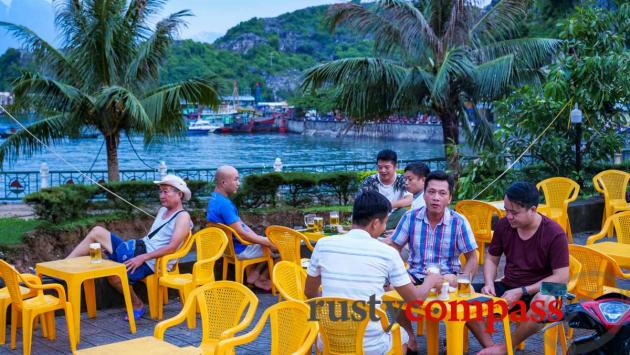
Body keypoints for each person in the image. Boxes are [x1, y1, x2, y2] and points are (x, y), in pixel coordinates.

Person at [305, 191, 443, 355]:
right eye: (384, 223)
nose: (384, 228)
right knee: (404, 336)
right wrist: (431, 279)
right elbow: (416, 299)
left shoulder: (323, 245)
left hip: (328, 340)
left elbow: (310, 292)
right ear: (375, 223)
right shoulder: (386, 253)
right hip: (370, 346)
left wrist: (336, 301)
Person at [67, 174, 193, 320]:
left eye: (166, 191)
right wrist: (134, 251)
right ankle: (64, 264)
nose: (162, 195)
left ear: (179, 194)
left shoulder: (182, 217)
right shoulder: (163, 211)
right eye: (160, 191)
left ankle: (137, 303)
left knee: (113, 275)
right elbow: (152, 239)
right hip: (139, 249)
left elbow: (172, 247)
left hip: (153, 262)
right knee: (97, 232)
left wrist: (141, 258)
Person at [468, 182, 569, 355]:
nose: (509, 216)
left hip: (545, 289)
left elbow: (562, 278)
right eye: (506, 210)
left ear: (533, 209)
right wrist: (489, 282)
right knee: (464, 295)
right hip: (510, 286)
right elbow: (491, 259)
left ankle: (507, 346)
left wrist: (523, 291)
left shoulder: (554, 233)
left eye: (514, 212)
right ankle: (491, 347)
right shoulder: (504, 225)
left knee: (545, 300)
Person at [388, 170, 479, 352]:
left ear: (449, 198)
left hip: (448, 277)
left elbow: (473, 256)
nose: (436, 198)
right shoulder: (410, 217)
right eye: (431, 192)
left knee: (469, 293)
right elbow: (394, 247)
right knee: (390, 289)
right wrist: (398, 272)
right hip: (415, 274)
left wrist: (462, 278)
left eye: (442, 193)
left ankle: (457, 340)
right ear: (425, 194)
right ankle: (410, 338)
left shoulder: (459, 221)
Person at [206, 165, 276, 291]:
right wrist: (265, 241)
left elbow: (239, 224)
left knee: (265, 242)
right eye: (236, 179)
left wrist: (259, 238)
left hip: (227, 248)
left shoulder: (214, 199)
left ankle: (254, 275)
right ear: (223, 182)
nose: (238, 183)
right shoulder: (225, 205)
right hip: (239, 249)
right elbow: (241, 233)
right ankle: (261, 278)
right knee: (281, 248)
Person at [361, 149, 413, 229]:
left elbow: (410, 199)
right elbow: (363, 202)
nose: (383, 170)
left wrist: (389, 205)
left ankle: (377, 231)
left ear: (395, 166)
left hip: (394, 216)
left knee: (403, 212)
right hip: (374, 218)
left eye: (387, 167)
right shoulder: (370, 181)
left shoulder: (402, 179)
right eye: (380, 167)